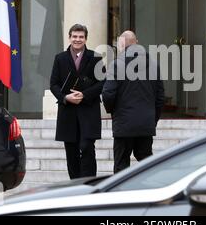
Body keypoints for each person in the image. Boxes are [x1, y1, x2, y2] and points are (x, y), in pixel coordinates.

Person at [102, 31, 165, 173]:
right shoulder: (154, 65)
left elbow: (108, 94)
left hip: (123, 124)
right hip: (145, 124)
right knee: (147, 164)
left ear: (121, 44)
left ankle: (121, 194)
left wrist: (113, 112)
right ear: (136, 42)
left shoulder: (116, 64)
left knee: (121, 165)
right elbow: (160, 97)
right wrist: (152, 119)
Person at [50, 24, 104, 179]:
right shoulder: (59, 58)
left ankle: (89, 183)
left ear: (86, 38)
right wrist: (64, 97)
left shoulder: (96, 57)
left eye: (81, 37)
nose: (77, 39)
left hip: (88, 110)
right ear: (69, 37)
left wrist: (84, 94)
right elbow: (53, 84)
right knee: (71, 150)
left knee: (87, 147)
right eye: (74, 36)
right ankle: (75, 185)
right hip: (68, 111)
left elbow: (102, 83)